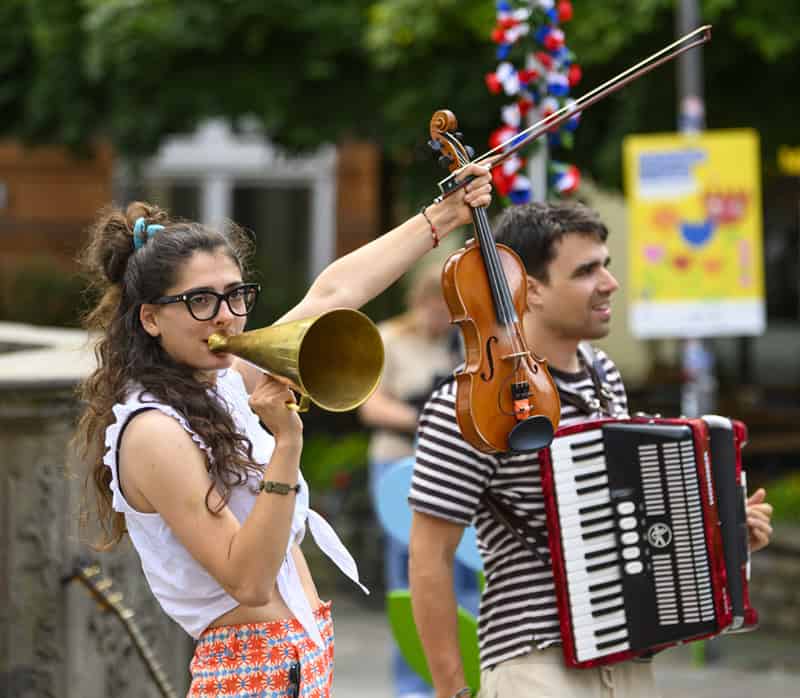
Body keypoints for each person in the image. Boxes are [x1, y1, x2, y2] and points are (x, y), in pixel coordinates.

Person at [73, 162, 491, 698]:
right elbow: (246, 579)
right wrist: (287, 444)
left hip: (294, 664)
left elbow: (332, 294)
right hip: (254, 675)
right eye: (200, 301)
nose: (226, 317)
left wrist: (444, 215)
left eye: (235, 295)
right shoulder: (153, 430)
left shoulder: (215, 385)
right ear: (151, 318)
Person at [407, 202, 775, 698]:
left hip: (626, 653)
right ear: (529, 290)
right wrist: (451, 690)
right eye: (585, 271)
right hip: (533, 660)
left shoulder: (603, 374)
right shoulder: (472, 403)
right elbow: (430, 557)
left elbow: (624, 521)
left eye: (606, 265)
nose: (609, 283)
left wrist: (719, 538)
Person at [358, 262, 479, 698]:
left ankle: (465, 676)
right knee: (411, 577)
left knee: (465, 577)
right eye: (433, 305)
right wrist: (424, 418)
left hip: (452, 465)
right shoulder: (390, 339)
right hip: (398, 462)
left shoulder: (462, 344)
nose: (439, 316)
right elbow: (369, 406)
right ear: (418, 302)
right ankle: (413, 686)